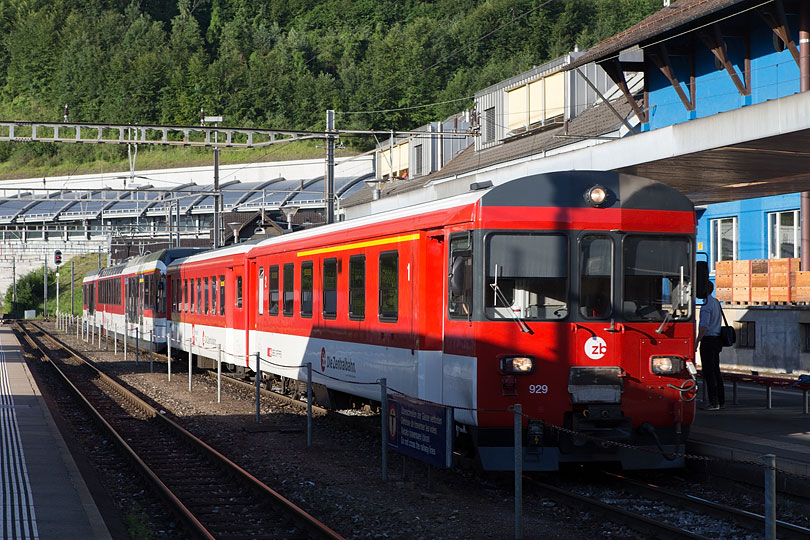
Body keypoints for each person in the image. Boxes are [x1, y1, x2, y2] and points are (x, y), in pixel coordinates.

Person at [695, 281, 724, 410]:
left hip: (708, 340)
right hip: (717, 339)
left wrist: (697, 341)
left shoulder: (706, 306)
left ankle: (714, 402)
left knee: (708, 372)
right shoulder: (716, 302)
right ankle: (721, 400)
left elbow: (704, 326)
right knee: (716, 371)